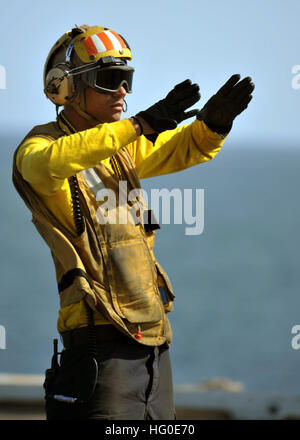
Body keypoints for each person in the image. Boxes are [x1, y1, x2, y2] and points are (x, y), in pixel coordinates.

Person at [12, 24, 254, 420]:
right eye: (110, 80)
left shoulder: (119, 148)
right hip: (98, 344)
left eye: (126, 80)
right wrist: (138, 126)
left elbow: (182, 149)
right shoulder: (38, 149)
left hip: (152, 343)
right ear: (67, 88)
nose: (122, 91)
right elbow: (53, 163)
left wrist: (213, 125)